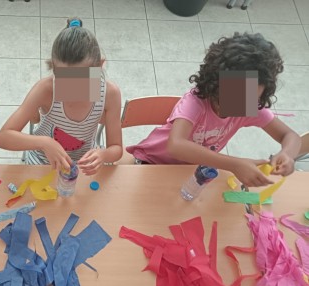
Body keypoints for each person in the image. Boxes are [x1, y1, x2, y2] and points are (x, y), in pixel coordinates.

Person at [126, 32, 301, 187]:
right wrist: (235, 164)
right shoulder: (196, 102)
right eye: (236, 94)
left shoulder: (249, 106)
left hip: (189, 171)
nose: (242, 105)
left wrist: (287, 155)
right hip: (151, 163)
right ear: (216, 83)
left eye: (251, 97)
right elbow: (176, 145)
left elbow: (290, 136)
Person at [0, 18, 122, 176]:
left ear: (99, 66)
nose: (73, 90)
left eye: (82, 80)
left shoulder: (110, 93)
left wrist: (103, 155)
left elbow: (116, 148)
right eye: (65, 79)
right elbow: (3, 137)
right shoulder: (46, 89)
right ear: (54, 68)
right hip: (42, 162)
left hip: (81, 166)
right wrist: (44, 143)